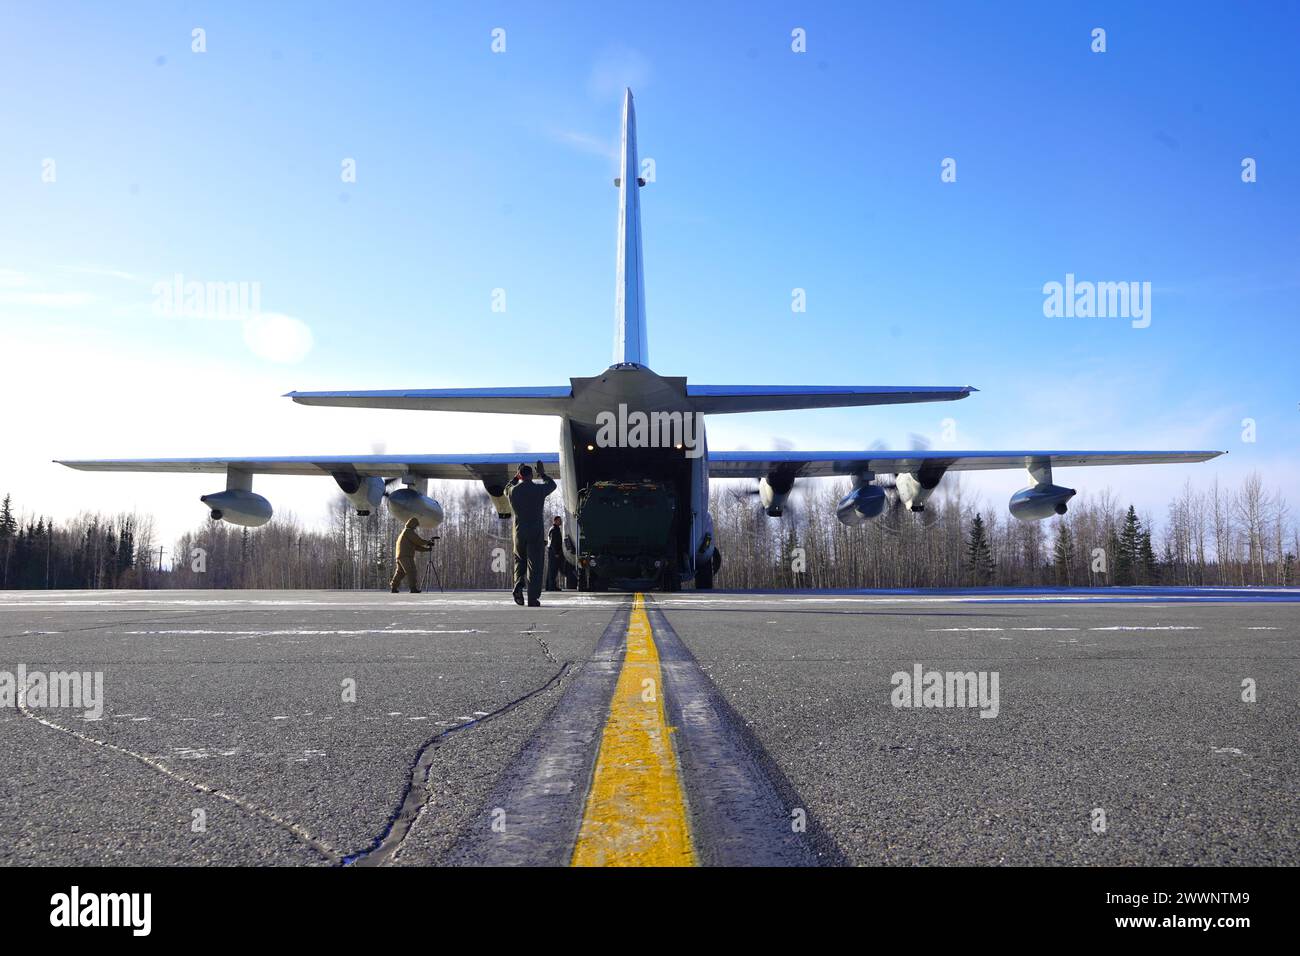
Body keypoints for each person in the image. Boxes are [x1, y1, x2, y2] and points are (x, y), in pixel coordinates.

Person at [505, 461, 556, 606]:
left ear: (520, 476)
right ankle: (533, 598)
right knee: (535, 565)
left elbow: (506, 488)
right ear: (532, 475)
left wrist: (515, 477)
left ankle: (518, 586)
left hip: (519, 531)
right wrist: (543, 474)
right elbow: (553, 485)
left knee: (519, 561)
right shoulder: (539, 490)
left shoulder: (513, 490)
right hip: (535, 531)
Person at [390, 516, 433, 593]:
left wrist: (427, 549)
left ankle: (394, 587)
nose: (416, 527)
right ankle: (413, 588)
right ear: (412, 524)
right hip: (406, 556)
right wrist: (427, 542)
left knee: (400, 572)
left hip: (400, 556)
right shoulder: (408, 531)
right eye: (416, 525)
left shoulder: (405, 532)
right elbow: (418, 541)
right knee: (411, 571)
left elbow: (416, 546)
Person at [545, 515, 564, 591]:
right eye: (559, 520)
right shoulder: (554, 530)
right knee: (553, 569)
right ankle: (551, 586)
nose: (561, 521)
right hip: (554, 553)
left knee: (552, 569)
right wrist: (556, 552)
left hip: (553, 552)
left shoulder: (555, 529)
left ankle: (549, 586)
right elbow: (553, 542)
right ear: (555, 521)